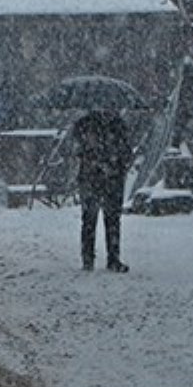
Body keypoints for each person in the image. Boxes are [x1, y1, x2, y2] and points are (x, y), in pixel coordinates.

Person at [71, 108, 134, 272]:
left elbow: (78, 150)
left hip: (94, 178)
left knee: (92, 220)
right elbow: (126, 152)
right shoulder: (117, 126)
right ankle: (110, 258)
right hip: (108, 178)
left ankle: (90, 259)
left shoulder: (85, 125)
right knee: (109, 220)